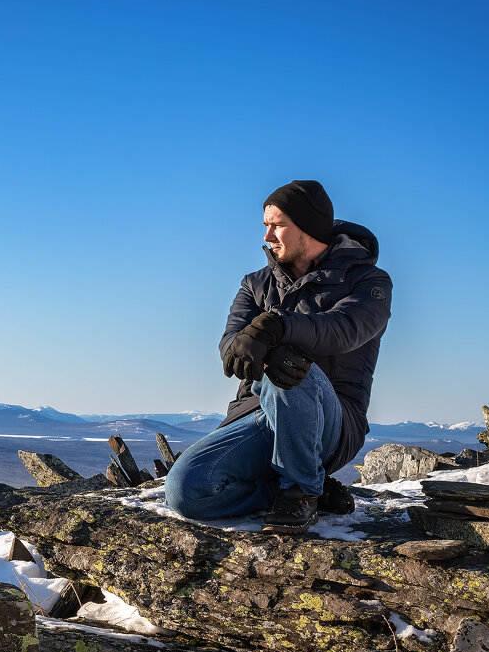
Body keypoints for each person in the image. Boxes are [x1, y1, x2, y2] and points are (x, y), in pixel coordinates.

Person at [164, 179, 391, 534]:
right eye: (266, 225)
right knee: (185, 492)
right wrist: (259, 342)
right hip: (257, 412)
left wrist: (277, 327)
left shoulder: (368, 282)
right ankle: (302, 489)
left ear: (308, 227)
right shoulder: (255, 284)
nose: (268, 236)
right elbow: (232, 347)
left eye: (278, 224)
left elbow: (346, 328)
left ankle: (302, 489)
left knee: (288, 364)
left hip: (331, 420)